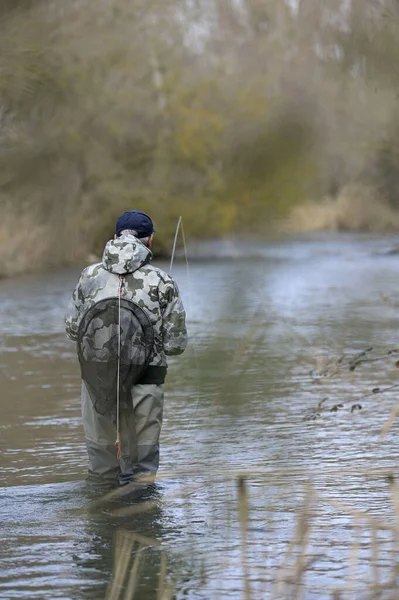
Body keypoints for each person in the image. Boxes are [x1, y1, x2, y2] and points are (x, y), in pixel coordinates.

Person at [65, 210, 188, 488]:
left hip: (98, 382)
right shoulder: (162, 281)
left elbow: (73, 329)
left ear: (114, 237)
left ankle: (101, 524)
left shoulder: (88, 276)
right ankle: (140, 525)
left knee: (101, 473)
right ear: (150, 240)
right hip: (147, 382)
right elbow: (176, 345)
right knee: (143, 475)